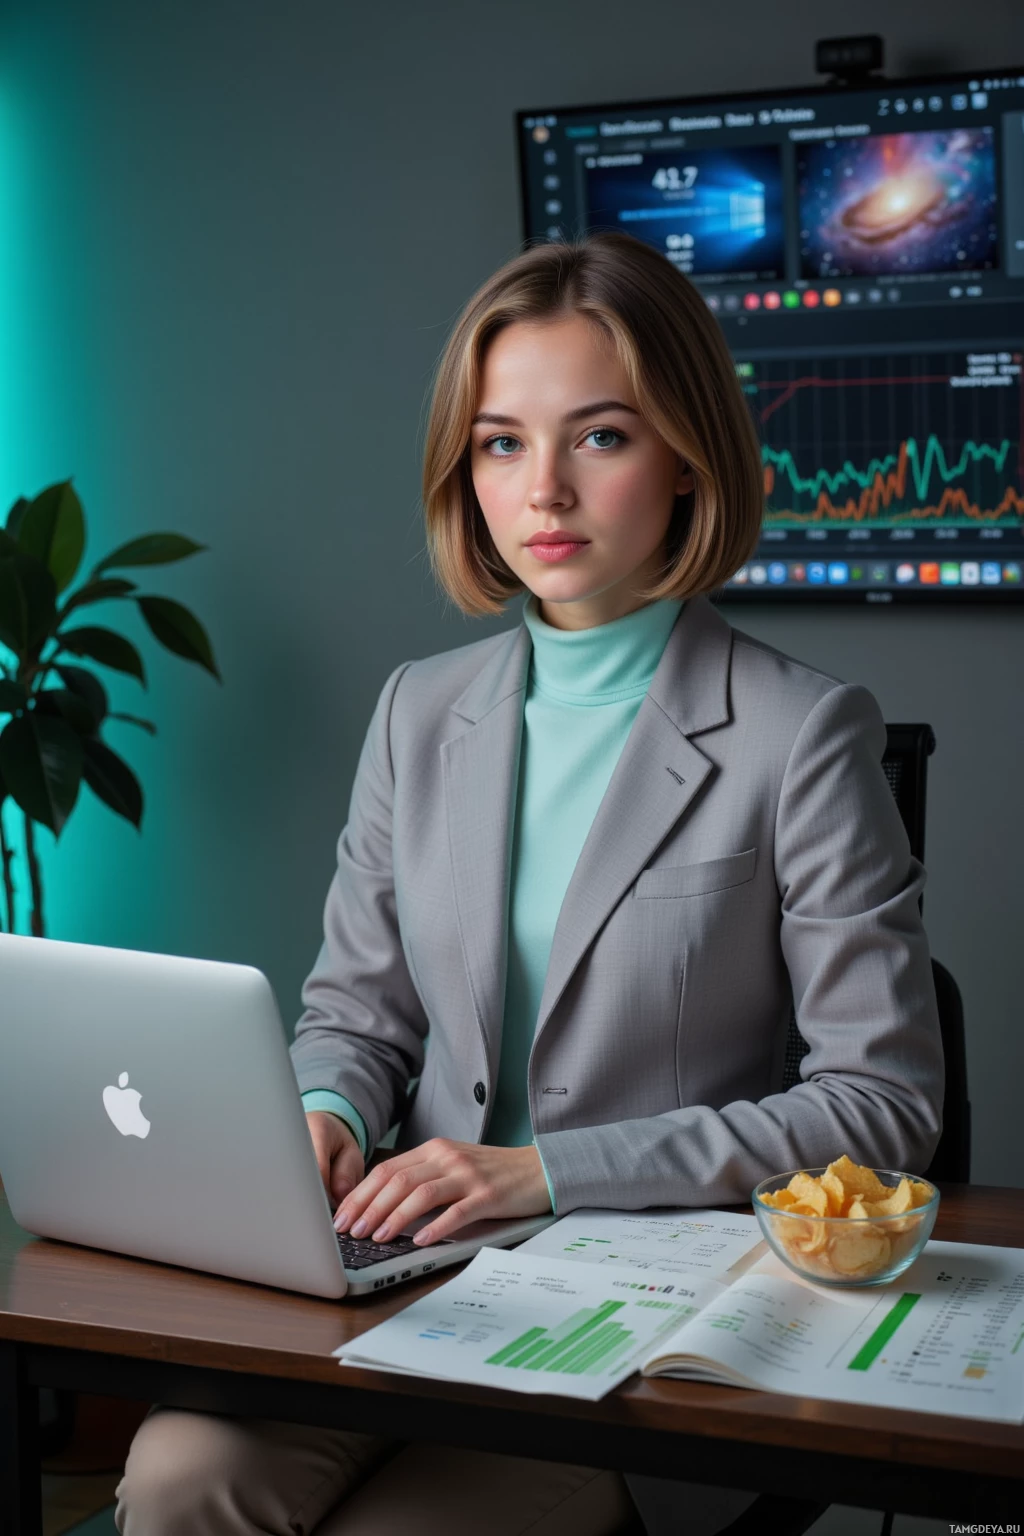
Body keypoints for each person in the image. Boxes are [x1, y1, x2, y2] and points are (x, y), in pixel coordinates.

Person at [115, 232, 943, 1536]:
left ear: (687, 457)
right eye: (502, 443)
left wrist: (548, 1171)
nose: (543, 489)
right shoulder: (417, 710)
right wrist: (324, 1110)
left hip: (652, 1306)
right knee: (180, 1482)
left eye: (600, 436)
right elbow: (359, 1013)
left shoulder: (802, 733)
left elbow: (881, 1107)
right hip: (410, 1264)